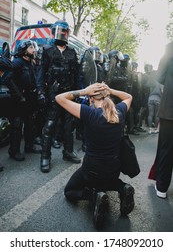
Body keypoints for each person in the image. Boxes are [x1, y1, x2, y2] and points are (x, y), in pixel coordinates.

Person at [55, 82, 135, 229]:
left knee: (70, 191)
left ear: (91, 99)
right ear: (107, 96)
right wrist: (110, 90)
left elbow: (59, 98)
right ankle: (122, 187)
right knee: (108, 179)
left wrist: (84, 91)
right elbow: (129, 96)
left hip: (92, 169)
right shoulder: (119, 111)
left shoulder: (90, 113)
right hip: (114, 168)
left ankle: (94, 196)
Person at [39, 20, 81, 173]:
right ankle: (45, 156)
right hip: (53, 95)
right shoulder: (47, 50)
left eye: (64, 31)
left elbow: (77, 75)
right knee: (49, 126)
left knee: (69, 126)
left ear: (67, 33)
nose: (62, 34)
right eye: (60, 31)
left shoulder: (72, 52)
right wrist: (41, 92)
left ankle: (68, 152)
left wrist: (78, 93)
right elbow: (41, 73)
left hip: (69, 94)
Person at [8, 40, 41, 161]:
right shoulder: (17, 63)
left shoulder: (31, 63)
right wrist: (19, 96)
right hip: (18, 100)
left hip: (30, 98)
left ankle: (29, 145)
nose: (34, 50)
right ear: (24, 50)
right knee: (17, 125)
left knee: (30, 123)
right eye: (31, 47)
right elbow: (9, 80)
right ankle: (14, 151)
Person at [148, 42, 173, 199]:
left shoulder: (171, 48)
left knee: (166, 148)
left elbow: (161, 76)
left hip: (170, 108)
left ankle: (162, 186)